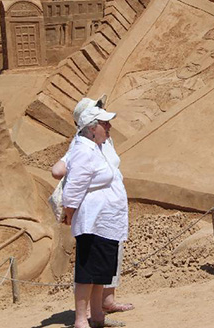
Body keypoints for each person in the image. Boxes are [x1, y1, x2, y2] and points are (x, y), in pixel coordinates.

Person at [52, 96, 134, 317]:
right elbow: (64, 171)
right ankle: (86, 314)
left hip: (110, 213)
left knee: (106, 261)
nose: (105, 117)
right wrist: (69, 210)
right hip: (95, 214)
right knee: (91, 266)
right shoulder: (83, 144)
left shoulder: (103, 140)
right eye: (99, 112)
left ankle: (103, 307)